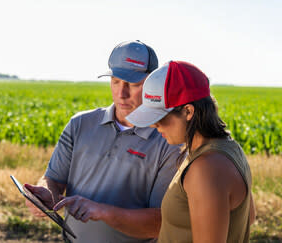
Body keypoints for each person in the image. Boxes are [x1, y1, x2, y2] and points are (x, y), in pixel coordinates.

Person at [24, 40, 182, 242]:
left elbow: (159, 223)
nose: (121, 94)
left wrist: (103, 211)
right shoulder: (79, 124)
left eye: (133, 84)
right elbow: (53, 180)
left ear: (152, 83)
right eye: (115, 81)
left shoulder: (168, 140)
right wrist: (45, 194)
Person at [126, 61, 256, 242]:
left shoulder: (206, 168)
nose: (154, 125)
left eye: (160, 117)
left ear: (188, 111)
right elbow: (247, 217)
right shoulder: (228, 148)